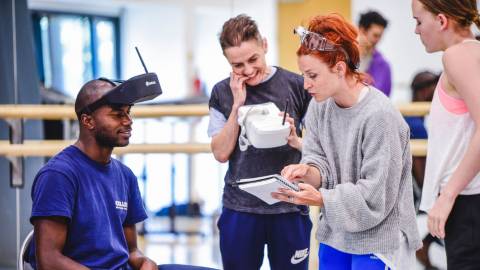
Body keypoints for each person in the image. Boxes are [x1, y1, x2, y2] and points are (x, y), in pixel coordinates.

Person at [271, 14, 421, 269]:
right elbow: (320, 161)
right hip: (336, 233)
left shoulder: (380, 116)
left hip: (379, 239)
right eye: (303, 75)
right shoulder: (319, 107)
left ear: (340, 68)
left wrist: (321, 198)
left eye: (312, 75)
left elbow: (375, 197)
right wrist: (307, 171)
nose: (306, 85)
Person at [27, 78, 217, 270]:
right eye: (117, 115)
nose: (128, 121)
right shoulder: (59, 175)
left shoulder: (125, 176)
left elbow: (131, 250)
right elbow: (48, 260)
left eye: (128, 113)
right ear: (88, 121)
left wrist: (144, 262)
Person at [208, 14, 312, 270]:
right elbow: (220, 153)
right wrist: (237, 106)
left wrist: (296, 139)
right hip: (240, 209)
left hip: (289, 205)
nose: (248, 70)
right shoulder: (222, 92)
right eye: (237, 65)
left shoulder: (297, 85)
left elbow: (321, 147)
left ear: (264, 45)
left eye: (253, 59)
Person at [412, 0, 480, 268]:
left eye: (418, 21)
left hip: (467, 202)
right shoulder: (472, 52)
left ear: (441, 21)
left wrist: (448, 195)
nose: (416, 31)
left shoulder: (457, 56)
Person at [404, 71, 443, 270]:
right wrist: (434, 198)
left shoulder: (411, 118)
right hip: (416, 194)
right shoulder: (415, 124)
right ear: (425, 90)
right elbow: (422, 173)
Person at [358, 10, 392, 96]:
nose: (377, 40)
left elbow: (383, 97)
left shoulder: (383, 66)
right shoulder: (343, 57)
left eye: (380, 36)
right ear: (362, 30)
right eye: (375, 35)